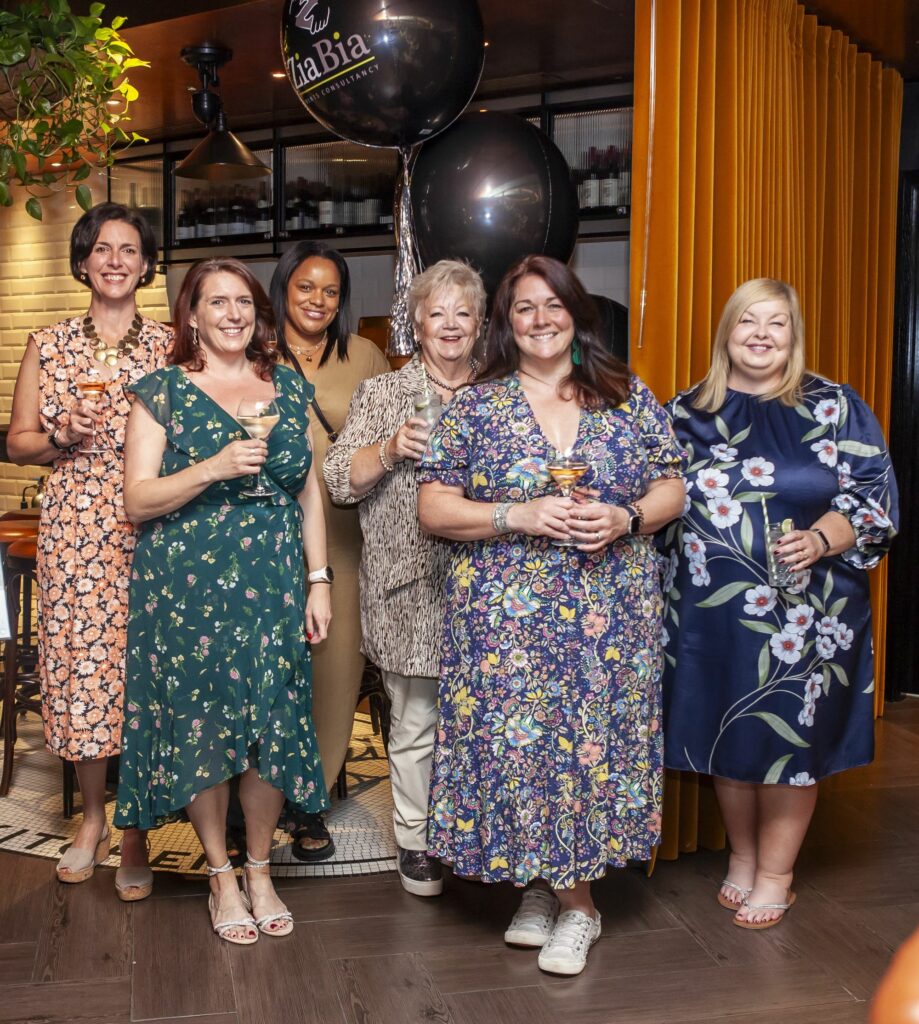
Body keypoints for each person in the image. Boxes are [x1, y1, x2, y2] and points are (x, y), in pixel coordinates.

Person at [417, 254, 685, 975]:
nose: (539, 319)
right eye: (523, 307)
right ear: (506, 322)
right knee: (521, 752)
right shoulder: (477, 403)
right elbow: (433, 506)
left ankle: (572, 903)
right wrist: (516, 513)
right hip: (506, 621)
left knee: (589, 751)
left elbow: (671, 488)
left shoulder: (624, 395)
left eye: (552, 304)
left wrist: (625, 517)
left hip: (607, 616)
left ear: (576, 312)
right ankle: (555, 893)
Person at [660, 278, 898, 929]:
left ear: (792, 337)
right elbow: (652, 502)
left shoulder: (834, 408)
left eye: (776, 325)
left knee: (789, 742)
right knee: (728, 735)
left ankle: (775, 875)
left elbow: (874, 502)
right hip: (711, 614)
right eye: (747, 323)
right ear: (726, 333)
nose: (761, 335)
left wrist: (822, 538)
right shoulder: (684, 413)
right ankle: (741, 858)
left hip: (810, 615)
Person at [115, 257, 331, 945]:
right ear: (192, 316)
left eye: (244, 301)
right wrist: (211, 467)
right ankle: (220, 876)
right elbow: (136, 498)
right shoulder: (163, 392)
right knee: (205, 726)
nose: (234, 313)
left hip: (270, 582)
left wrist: (318, 578)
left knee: (271, 725)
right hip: (186, 586)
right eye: (217, 302)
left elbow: (308, 490)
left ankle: (260, 868)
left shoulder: (289, 388)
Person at [7, 202, 171, 900]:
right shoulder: (48, 344)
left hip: (153, 526)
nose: (114, 260)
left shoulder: (169, 345)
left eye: (128, 250)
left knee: (144, 673)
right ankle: (94, 819)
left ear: (144, 265)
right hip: (76, 530)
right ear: (83, 263)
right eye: (102, 249)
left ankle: (136, 831)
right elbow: (15, 442)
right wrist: (60, 436)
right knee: (81, 674)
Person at [324, 260, 485, 896]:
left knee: (483, 716)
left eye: (462, 312)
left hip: (488, 583)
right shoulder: (382, 395)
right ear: (415, 322)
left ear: (479, 325)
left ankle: (474, 830)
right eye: (436, 312)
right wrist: (390, 449)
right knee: (415, 720)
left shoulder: (500, 393)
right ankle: (416, 841)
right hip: (408, 584)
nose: (449, 324)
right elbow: (339, 480)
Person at [269, 241, 389, 862]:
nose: (317, 300)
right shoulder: (256, 353)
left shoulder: (363, 355)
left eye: (331, 291)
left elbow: (387, 439)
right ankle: (255, 796)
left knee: (333, 671)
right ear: (284, 288)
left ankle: (309, 802)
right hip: (260, 537)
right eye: (305, 287)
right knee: (267, 674)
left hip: (341, 535)